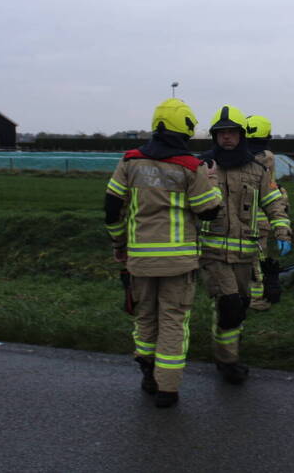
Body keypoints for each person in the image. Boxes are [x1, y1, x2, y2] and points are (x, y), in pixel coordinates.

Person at [104, 98, 222, 408]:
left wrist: (119, 246)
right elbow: (209, 210)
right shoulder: (191, 166)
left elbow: (111, 207)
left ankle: (147, 372)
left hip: (139, 259)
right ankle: (167, 388)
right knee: (173, 321)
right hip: (178, 262)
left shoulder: (130, 161)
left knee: (145, 318)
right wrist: (212, 183)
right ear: (184, 128)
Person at [198, 105, 291, 385]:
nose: (227, 138)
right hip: (212, 252)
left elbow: (273, 201)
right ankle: (228, 361)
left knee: (241, 304)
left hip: (245, 251)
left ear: (241, 135)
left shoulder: (257, 169)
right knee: (229, 305)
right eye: (221, 133)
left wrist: (282, 230)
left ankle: (226, 350)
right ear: (215, 136)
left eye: (232, 132)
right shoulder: (201, 166)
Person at [245, 114, 287, 311]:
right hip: (261, 218)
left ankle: (246, 296)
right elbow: (270, 189)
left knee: (246, 262)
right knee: (257, 263)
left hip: (242, 217)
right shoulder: (267, 157)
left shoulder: (240, 154)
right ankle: (257, 300)